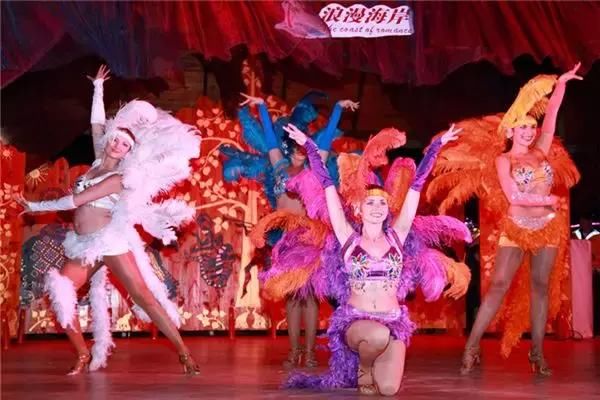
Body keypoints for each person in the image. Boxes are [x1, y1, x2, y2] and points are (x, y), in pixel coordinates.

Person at [15, 65, 201, 375]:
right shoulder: (96, 164)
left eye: (125, 145)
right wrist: (98, 88)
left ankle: (184, 352)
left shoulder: (118, 177)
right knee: (60, 291)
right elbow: (97, 124)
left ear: (129, 152)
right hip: (83, 244)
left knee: (144, 296)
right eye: (116, 140)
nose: (118, 145)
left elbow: (76, 201)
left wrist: (34, 206)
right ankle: (82, 353)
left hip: (109, 241)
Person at [278, 123, 470, 396]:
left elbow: (416, 186)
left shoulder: (397, 236)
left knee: (389, 389)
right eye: (370, 203)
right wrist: (309, 147)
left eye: (382, 203)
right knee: (376, 335)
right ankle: (364, 367)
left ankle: (377, 362)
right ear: (359, 207)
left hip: (393, 322)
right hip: (357, 321)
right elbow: (328, 186)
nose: (377, 208)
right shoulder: (348, 238)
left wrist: (436, 147)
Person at [426, 65, 582, 375]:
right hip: (517, 227)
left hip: (548, 227)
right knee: (498, 285)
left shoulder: (541, 151)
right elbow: (513, 196)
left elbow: (551, 114)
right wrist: (547, 199)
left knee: (540, 287)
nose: (529, 131)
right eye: (522, 127)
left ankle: (537, 353)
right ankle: (471, 347)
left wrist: (562, 84)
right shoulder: (504, 160)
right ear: (510, 131)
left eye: (531, 126)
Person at [224, 92, 358, 368]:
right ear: (289, 147)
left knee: (309, 297)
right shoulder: (279, 166)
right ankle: (294, 351)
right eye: (294, 146)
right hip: (286, 240)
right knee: (292, 298)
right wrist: (262, 108)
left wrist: (336, 108)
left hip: (309, 238)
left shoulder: (314, 167)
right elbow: (270, 139)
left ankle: (309, 353)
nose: (299, 150)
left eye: (303, 146)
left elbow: (326, 138)